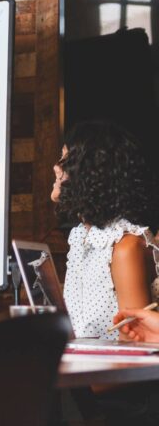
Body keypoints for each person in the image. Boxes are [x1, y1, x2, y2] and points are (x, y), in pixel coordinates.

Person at [51, 120, 159, 340]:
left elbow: (134, 346)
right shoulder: (83, 238)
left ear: (91, 172)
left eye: (65, 159)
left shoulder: (125, 247)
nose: (56, 166)